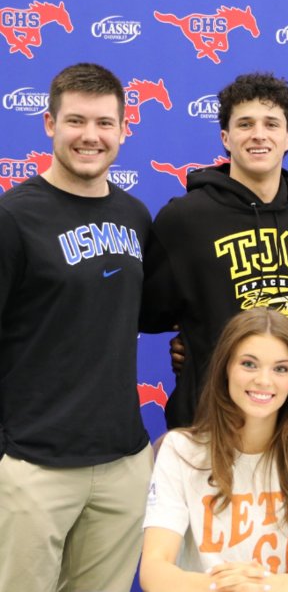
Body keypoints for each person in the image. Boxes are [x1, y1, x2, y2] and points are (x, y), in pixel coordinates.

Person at [0, 62, 153, 591]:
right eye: (76, 121)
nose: (91, 136)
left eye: (105, 123)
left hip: (123, 459)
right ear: (49, 124)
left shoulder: (136, 215)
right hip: (33, 463)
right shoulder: (13, 218)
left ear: (124, 129)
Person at [142, 72, 288, 430]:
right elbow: (148, 313)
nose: (258, 134)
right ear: (226, 137)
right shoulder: (184, 217)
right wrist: (193, 338)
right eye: (245, 124)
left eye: (271, 124)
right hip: (208, 417)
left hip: (287, 418)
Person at [140, 308, 288, 590]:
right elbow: (154, 570)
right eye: (249, 364)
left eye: (280, 368)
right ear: (225, 369)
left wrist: (262, 587)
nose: (264, 380)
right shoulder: (180, 450)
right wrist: (223, 587)